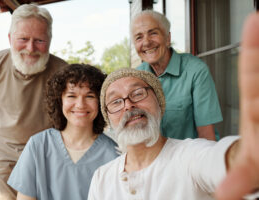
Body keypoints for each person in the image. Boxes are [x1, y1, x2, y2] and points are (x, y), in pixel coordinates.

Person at [88, 13, 259, 199]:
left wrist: (238, 160)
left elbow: (207, 149)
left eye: (138, 94)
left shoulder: (195, 70)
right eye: (116, 101)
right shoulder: (102, 179)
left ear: (168, 37)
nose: (128, 105)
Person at [0, 4, 67, 199]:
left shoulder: (63, 71)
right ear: (9, 38)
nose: (30, 49)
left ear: (49, 40)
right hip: (4, 154)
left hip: (46, 154)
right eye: (23, 39)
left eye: (39, 40)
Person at [7, 64, 118, 200]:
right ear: (59, 101)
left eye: (89, 96)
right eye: (71, 96)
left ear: (101, 102)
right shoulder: (38, 145)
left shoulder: (113, 154)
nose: (80, 104)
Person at [133, 10, 222, 140]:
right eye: (139, 37)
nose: (146, 42)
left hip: (191, 156)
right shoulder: (137, 77)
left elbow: (206, 135)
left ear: (167, 38)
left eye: (153, 33)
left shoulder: (195, 70)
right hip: (156, 157)